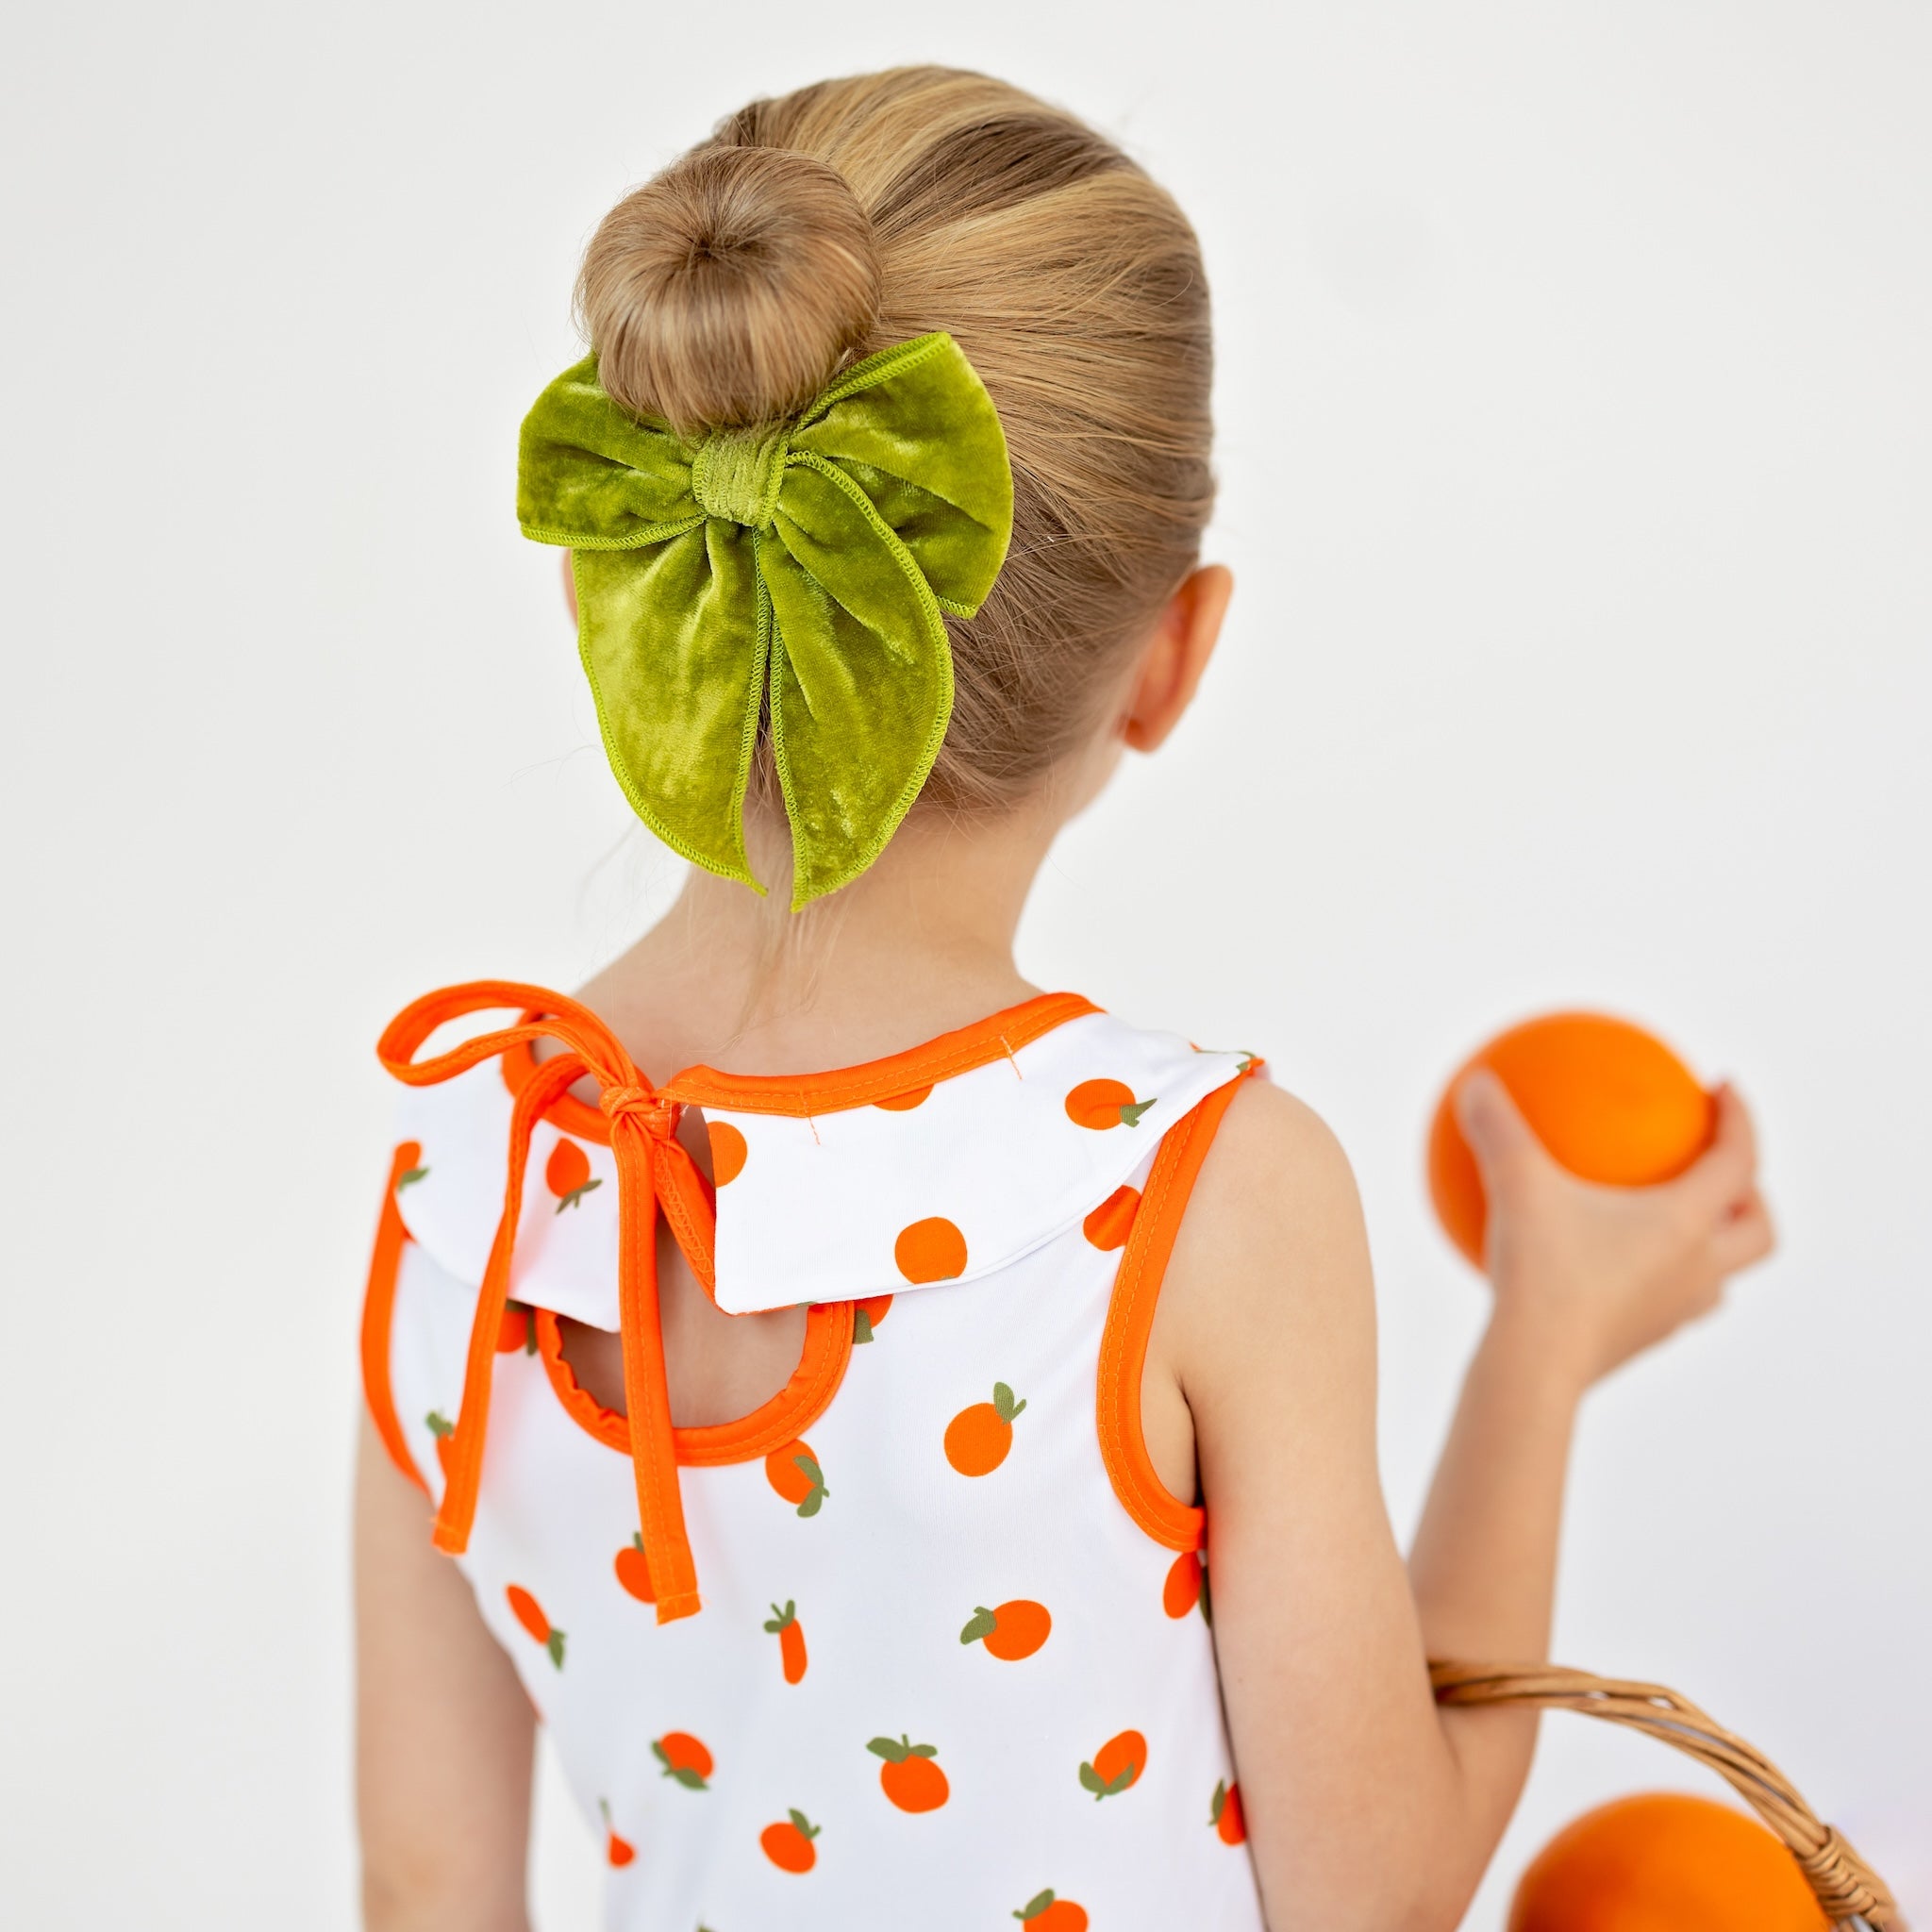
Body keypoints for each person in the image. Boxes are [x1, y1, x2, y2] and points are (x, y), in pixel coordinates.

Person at [354, 66, 1774, 1932]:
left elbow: (422, 1889)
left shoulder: (469, 1172)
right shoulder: (1191, 1193)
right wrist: (1543, 1339)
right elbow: (1373, 1895)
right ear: (1170, 655)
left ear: (623, 609)